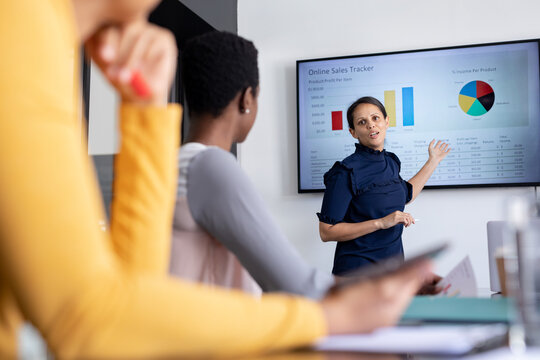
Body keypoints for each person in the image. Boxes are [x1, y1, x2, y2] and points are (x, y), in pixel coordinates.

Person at [0, 1, 431, 358]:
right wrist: (328, 318)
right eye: (363, 121)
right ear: (248, 101)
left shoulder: (45, 44)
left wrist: (147, 113)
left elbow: (133, 290)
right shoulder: (20, 32)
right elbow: (85, 319)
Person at [170, 31, 333, 299]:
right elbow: (298, 286)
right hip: (216, 339)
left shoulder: (174, 164)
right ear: (247, 99)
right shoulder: (211, 166)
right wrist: (390, 282)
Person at [318, 96, 450, 276]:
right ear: (353, 132)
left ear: (386, 122)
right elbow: (327, 232)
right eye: (362, 122)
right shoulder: (344, 171)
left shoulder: (391, 162)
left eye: (375, 118)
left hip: (393, 269)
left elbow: (406, 195)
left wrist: (433, 161)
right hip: (356, 274)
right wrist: (380, 223)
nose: (371, 125)